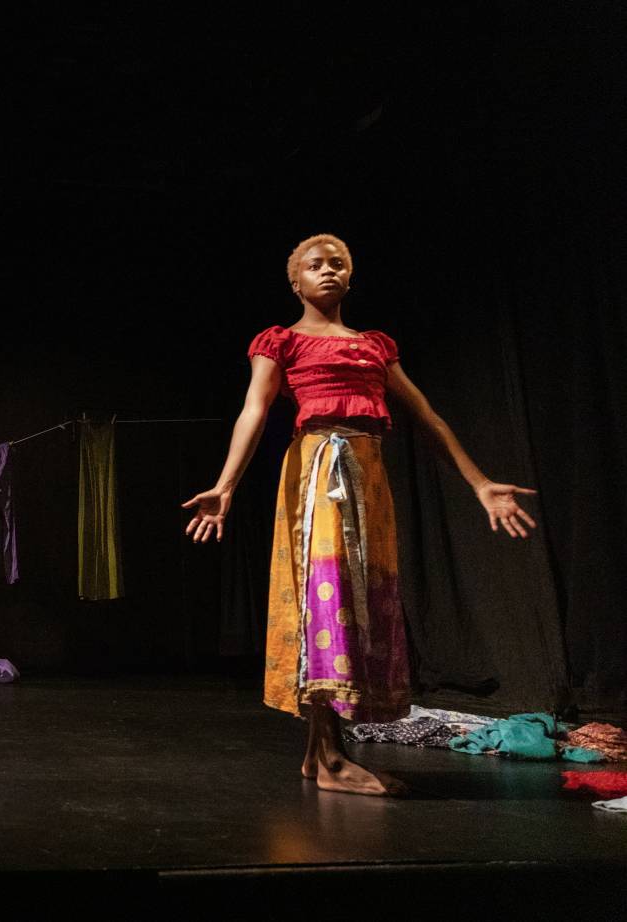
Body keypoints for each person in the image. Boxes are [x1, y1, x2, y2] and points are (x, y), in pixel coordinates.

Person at [183, 234, 537, 795]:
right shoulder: (282, 342)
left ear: (351, 277)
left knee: (358, 600)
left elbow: (427, 416)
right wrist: (226, 485)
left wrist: (481, 484)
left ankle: (320, 755)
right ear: (294, 282)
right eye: (314, 265)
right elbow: (253, 411)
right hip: (320, 474)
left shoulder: (374, 345)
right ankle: (330, 758)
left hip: (370, 479)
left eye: (338, 264)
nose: (328, 271)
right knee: (327, 599)